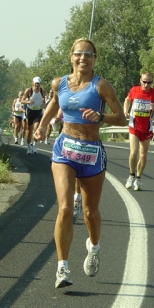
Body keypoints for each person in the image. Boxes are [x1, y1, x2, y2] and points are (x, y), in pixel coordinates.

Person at [34, 37, 126, 289]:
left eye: (88, 54)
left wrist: (101, 115)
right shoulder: (59, 83)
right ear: (71, 57)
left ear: (95, 59)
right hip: (65, 149)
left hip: (91, 153)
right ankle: (62, 268)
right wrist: (42, 126)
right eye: (78, 53)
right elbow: (53, 105)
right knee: (65, 209)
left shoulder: (101, 86)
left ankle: (94, 248)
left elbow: (121, 117)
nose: (83, 58)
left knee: (89, 212)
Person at [123, 71, 154, 190]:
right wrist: (126, 110)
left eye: (149, 82)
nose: (146, 85)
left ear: (152, 82)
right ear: (140, 80)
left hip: (147, 128)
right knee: (133, 153)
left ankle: (138, 178)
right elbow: (127, 100)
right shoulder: (134, 90)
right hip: (134, 127)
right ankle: (131, 175)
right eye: (144, 82)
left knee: (143, 155)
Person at [21, 77, 46, 154]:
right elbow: (22, 100)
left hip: (38, 112)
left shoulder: (42, 91)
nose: (36, 85)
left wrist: (43, 104)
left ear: (40, 84)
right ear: (33, 83)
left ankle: (34, 145)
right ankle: (29, 146)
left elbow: (44, 100)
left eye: (38, 84)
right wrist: (28, 102)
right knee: (29, 131)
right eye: (35, 83)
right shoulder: (29, 90)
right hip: (30, 112)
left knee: (37, 129)